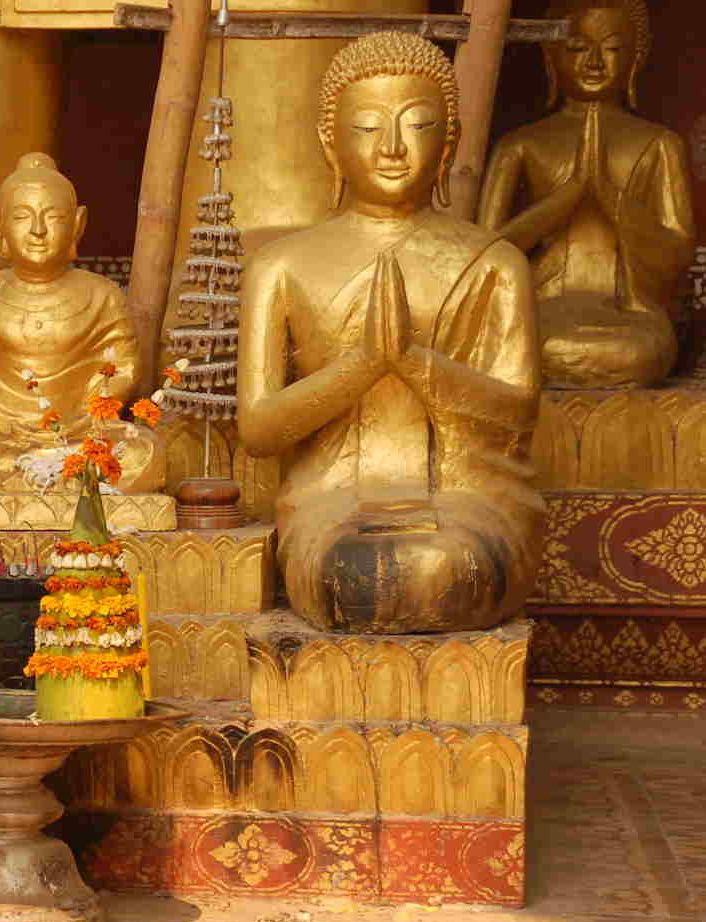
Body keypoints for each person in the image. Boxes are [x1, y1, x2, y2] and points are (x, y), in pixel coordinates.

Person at [237, 32, 543, 634]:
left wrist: (414, 361)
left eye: (418, 125)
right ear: (331, 142)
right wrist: (363, 365)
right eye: (368, 127)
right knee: (358, 571)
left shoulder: (494, 262)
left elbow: (519, 410)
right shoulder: (280, 266)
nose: (393, 148)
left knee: (443, 567)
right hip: (334, 501)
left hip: (468, 496)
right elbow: (258, 429)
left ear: (449, 140)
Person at [0, 153, 164, 494]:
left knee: (144, 454)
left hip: (78, 435)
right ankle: (47, 474)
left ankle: (32, 474)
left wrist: (82, 417)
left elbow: (125, 367)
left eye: (54, 217)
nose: (38, 230)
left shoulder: (103, 295)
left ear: (78, 224)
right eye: (22, 217)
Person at [477, 0, 694, 388]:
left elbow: (677, 253)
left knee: (642, 352)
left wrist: (609, 195)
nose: (594, 62)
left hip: (630, 317)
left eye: (612, 48)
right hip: (542, 309)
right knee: (521, 343)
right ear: (550, 56)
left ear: (636, 59)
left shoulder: (662, 144)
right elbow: (483, 253)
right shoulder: (520, 144)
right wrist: (570, 194)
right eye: (577, 47)